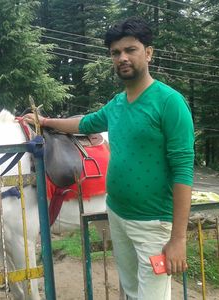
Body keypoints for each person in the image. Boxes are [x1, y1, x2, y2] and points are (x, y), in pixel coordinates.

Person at [24, 17, 194, 300]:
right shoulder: (117, 103)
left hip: (153, 224)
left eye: (131, 50)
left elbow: (183, 170)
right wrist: (46, 121)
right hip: (117, 215)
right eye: (116, 53)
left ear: (148, 53)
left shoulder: (169, 102)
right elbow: (85, 124)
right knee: (130, 290)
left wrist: (178, 238)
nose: (122, 58)